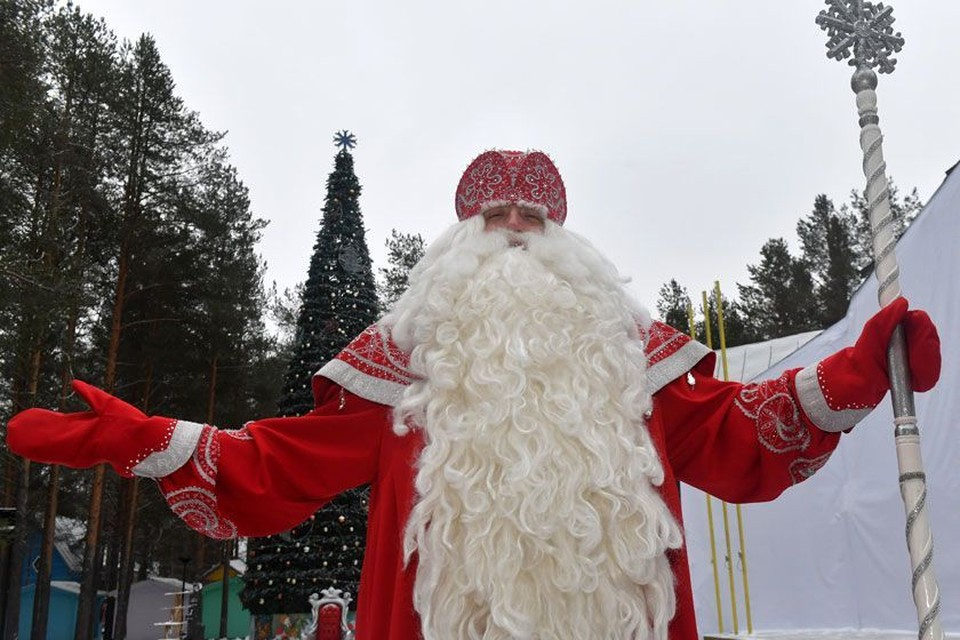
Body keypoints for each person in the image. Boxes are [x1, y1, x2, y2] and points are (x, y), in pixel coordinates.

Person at [7, 150, 941, 640]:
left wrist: (856, 370)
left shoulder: (634, 359)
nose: (515, 232)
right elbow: (278, 463)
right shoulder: (397, 367)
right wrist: (149, 440)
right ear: (461, 239)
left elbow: (739, 440)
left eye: (533, 217)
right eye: (494, 218)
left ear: (568, 240)